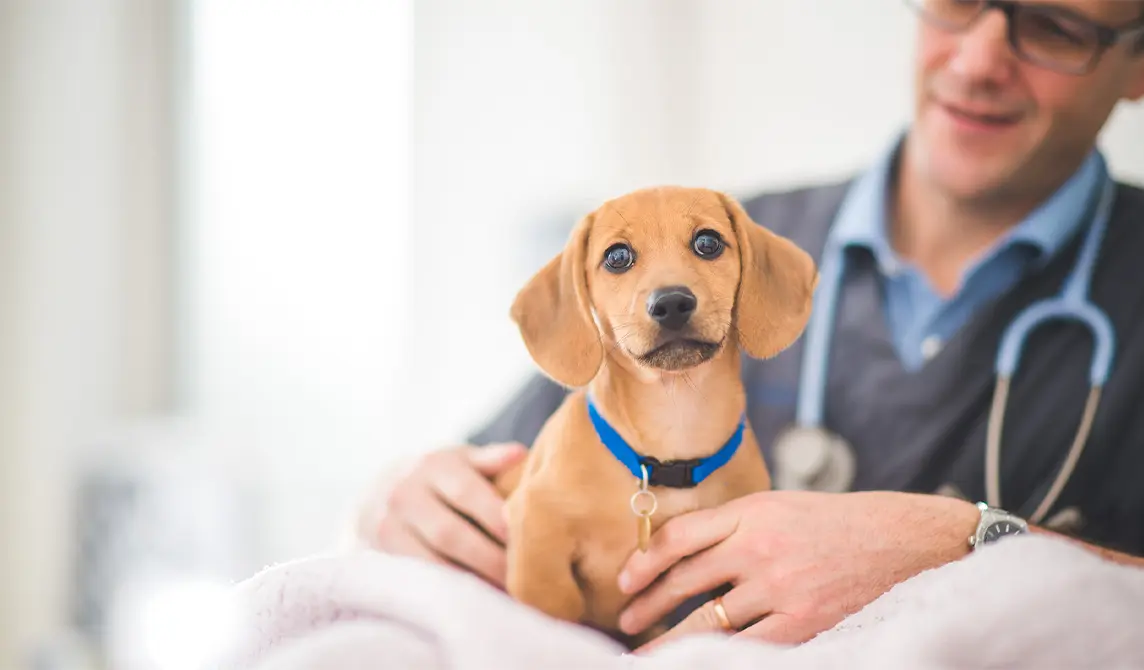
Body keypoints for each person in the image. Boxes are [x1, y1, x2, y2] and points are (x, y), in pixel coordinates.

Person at [354, 0, 1144, 650]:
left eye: (1057, 27)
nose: (976, 61)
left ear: (1137, 63)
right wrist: (395, 499)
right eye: (957, 1)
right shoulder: (740, 236)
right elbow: (490, 476)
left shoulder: (742, 252)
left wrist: (970, 546)